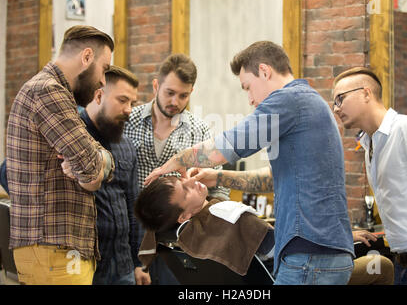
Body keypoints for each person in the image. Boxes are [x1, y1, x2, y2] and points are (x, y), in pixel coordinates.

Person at [144, 41, 355, 285]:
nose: (250, 99)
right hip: (321, 253)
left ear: (264, 71)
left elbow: (227, 147)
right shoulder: (306, 103)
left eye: (248, 87)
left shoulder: (288, 100)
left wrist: (175, 161)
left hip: (310, 255)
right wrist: (218, 178)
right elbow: (270, 180)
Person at [6, 25, 115, 285]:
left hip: (57, 250)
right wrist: (95, 166)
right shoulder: (48, 91)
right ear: (86, 57)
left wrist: (97, 164)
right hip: (53, 250)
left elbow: (102, 161)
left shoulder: (54, 93)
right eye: (104, 69)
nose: (103, 81)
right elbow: (91, 169)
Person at [332, 66, 407, 285]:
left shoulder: (406, 128)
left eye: (340, 99)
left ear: (366, 93)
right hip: (401, 262)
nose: (337, 109)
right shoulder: (370, 145)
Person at [123, 53, 230, 283]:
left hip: (180, 247)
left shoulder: (199, 131)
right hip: (129, 239)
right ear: (156, 86)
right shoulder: (127, 122)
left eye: (183, 95)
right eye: (169, 93)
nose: (175, 102)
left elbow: (220, 190)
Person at [78, 65, 150, 285]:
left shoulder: (125, 145)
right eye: (122, 100)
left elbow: (133, 205)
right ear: (99, 95)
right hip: (83, 265)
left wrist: (139, 263)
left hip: (123, 266)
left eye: (132, 103)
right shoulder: (71, 137)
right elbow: (9, 171)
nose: (129, 109)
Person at [134, 176, 274, 277]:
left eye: (181, 179)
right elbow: (277, 249)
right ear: (183, 217)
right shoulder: (231, 216)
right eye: (186, 191)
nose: (191, 180)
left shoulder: (179, 239)